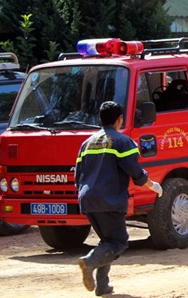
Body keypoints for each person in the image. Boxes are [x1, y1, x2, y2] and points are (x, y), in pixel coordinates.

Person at [74, 101, 163, 296]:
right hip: (109, 200)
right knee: (118, 242)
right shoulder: (123, 142)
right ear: (119, 119)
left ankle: (103, 285)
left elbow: (77, 175)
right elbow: (136, 173)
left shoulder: (86, 143)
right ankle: (88, 262)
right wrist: (153, 186)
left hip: (87, 200)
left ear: (100, 119)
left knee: (108, 240)